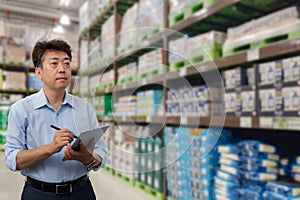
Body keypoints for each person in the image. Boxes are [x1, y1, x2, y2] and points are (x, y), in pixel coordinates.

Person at [4, 38, 107, 200]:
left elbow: (101, 153)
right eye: (54, 64)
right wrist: (50, 148)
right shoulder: (21, 110)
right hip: (38, 194)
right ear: (39, 72)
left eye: (67, 64)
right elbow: (12, 159)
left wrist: (86, 158)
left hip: (81, 192)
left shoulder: (84, 108)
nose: (62, 69)